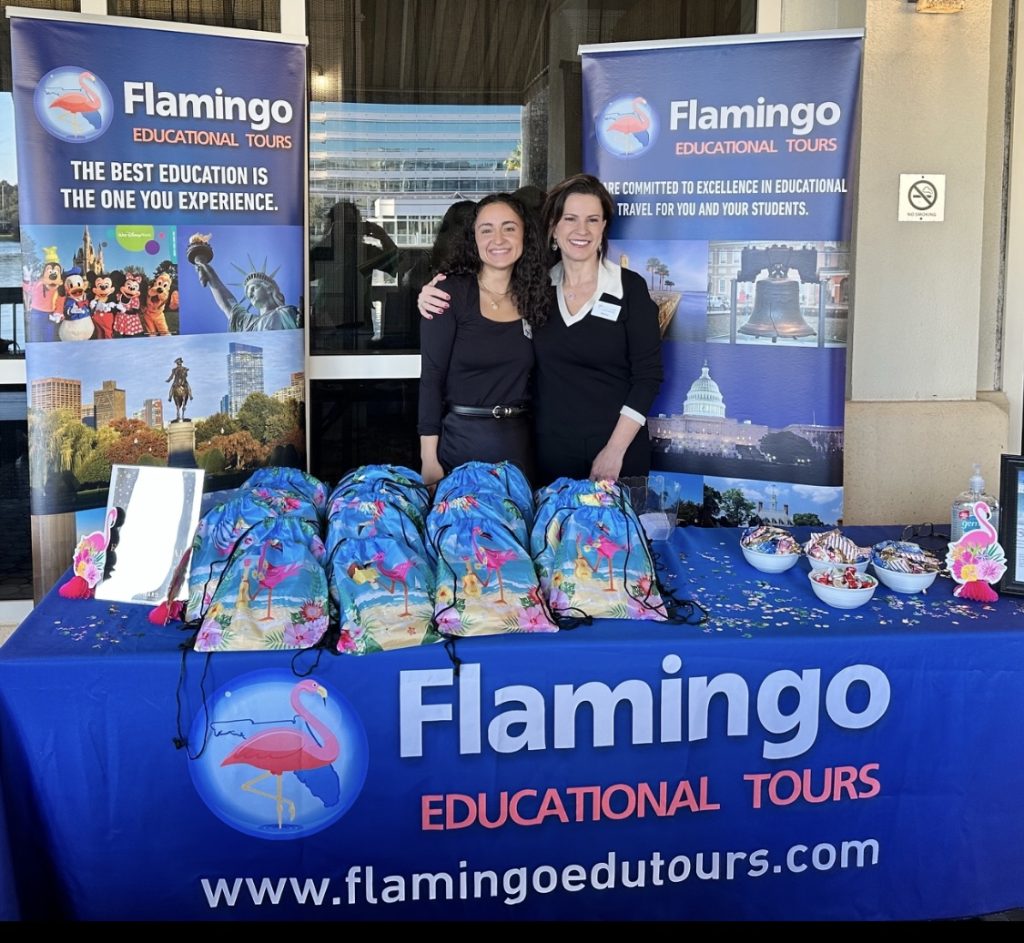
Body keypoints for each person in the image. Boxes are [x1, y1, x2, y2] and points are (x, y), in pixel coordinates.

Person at [419, 174, 663, 485]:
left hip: (617, 455)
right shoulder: (537, 288)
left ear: (604, 227)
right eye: (570, 219)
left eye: (592, 220)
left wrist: (614, 451)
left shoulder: (629, 288)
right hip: (550, 454)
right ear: (553, 227)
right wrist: (428, 294)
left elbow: (648, 377)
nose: (581, 230)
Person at [417, 193, 550, 489]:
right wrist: (428, 458)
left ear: (525, 235)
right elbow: (431, 378)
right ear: (473, 239)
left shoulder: (536, 297)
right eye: (486, 230)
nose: (498, 239)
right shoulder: (448, 294)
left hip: (519, 447)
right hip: (460, 445)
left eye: (509, 228)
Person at [193, 257, 301, 331]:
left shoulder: (290, 313)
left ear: (268, 288)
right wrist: (211, 275)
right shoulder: (249, 323)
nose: (251, 295)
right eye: (249, 296)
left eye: (253, 289)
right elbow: (229, 305)